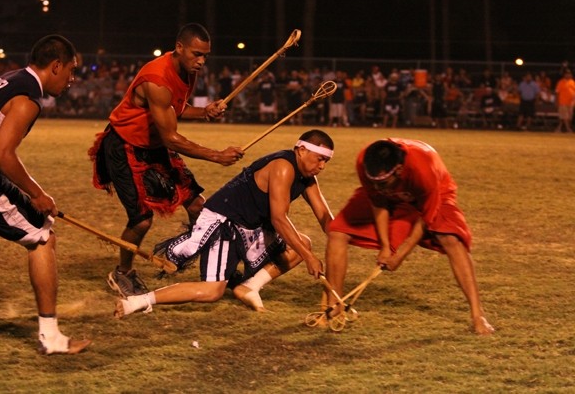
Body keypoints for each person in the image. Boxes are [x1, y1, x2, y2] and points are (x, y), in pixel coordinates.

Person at [88, 23, 244, 299]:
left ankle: (217, 270)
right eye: (197, 54)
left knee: (198, 205)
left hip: (154, 144)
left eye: (205, 55)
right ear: (179, 48)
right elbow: (171, 137)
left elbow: (177, 109)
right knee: (141, 220)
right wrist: (216, 155)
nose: (202, 61)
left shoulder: (186, 71)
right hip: (125, 146)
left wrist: (205, 112)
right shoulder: (156, 78)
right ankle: (121, 273)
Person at [114, 130, 335, 318]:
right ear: (302, 150)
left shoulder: (307, 178)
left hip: (249, 227)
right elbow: (278, 219)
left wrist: (343, 236)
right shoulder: (283, 167)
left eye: (326, 161)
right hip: (224, 221)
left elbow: (324, 215)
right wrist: (309, 258)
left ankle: (248, 287)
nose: (322, 166)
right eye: (320, 159)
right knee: (212, 291)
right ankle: (138, 301)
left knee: (301, 244)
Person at [0, 34, 91, 354]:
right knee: (42, 237)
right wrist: (38, 193)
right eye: (71, 71)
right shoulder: (28, 97)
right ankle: (50, 337)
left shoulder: (10, 79)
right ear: (56, 66)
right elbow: (2, 154)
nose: (71, 79)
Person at [324, 138, 495, 335]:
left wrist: (400, 254)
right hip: (394, 198)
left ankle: (477, 315)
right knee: (337, 231)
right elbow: (378, 201)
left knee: (451, 239)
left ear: (398, 170)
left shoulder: (423, 167)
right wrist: (386, 246)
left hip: (435, 194)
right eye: (374, 183)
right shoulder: (366, 162)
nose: (378, 187)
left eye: (383, 183)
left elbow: (426, 217)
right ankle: (333, 305)